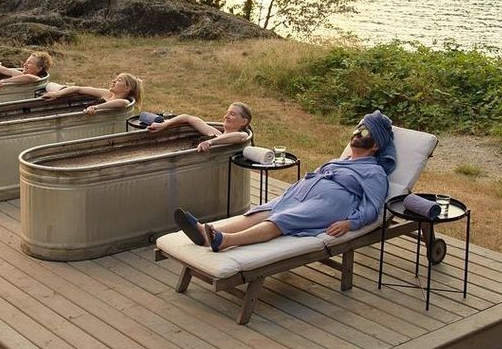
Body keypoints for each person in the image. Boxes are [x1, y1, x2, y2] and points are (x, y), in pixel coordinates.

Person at [174, 110, 396, 252]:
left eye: (365, 133)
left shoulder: (374, 173)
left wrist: (351, 223)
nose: (357, 135)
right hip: (303, 194)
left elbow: (372, 207)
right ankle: (204, 232)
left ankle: (225, 241)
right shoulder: (340, 161)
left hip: (331, 206)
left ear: (376, 146)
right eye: (357, 130)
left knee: (283, 219)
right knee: (262, 211)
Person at [147, 102, 252, 153]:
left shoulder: (242, 135)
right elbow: (188, 118)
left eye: (232, 114)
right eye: (227, 113)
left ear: (244, 121)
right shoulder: (215, 133)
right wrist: (165, 124)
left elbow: (240, 136)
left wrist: (210, 142)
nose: (226, 116)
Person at [41, 72, 143, 115]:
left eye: (119, 80)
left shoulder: (125, 101)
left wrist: (96, 107)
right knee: (50, 86)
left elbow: (121, 103)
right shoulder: (107, 94)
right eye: (115, 79)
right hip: (79, 114)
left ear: (127, 88)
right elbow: (79, 89)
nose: (113, 81)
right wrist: (57, 94)